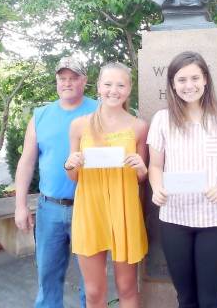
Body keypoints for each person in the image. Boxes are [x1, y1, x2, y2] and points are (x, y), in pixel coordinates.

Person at [147, 51, 217, 308]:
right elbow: (155, 165)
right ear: (172, 84)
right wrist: (157, 188)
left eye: (195, 78)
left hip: (215, 220)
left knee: (210, 299)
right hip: (175, 220)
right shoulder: (162, 120)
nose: (188, 85)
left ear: (205, 80)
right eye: (181, 80)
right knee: (186, 298)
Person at [14, 56, 97, 308]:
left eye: (74, 78)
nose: (67, 83)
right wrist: (20, 205)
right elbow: (26, 163)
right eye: (63, 78)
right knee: (47, 277)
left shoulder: (100, 111)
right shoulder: (41, 115)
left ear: (84, 80)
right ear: (56, 81)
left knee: (91, 282)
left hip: (89, 206)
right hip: (49, 209)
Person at [64, 62, 149, 308]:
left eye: (120, 85)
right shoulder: (79, 125)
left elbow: (140, 178)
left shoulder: (139, 127)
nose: (114, 90)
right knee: (93, 290)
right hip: (90, 210)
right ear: (99, 87)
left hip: (124, 210)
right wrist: (71, 164)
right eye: (108, 84)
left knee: (127, 288)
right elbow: (73, 176)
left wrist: (140, 168)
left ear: (129, 88)